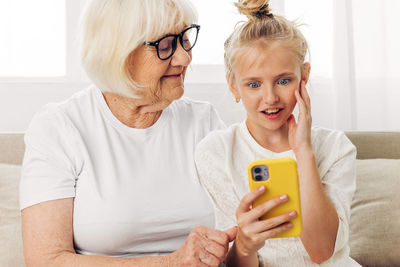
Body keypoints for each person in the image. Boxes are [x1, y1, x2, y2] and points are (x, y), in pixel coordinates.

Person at [19, 0, 236, 266]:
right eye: (166, 45)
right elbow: (46, 260)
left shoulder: (204, 122)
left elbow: (243, 230)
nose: (184, 57)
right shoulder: (59, 127)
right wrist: (170, 263)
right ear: (118, 53)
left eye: (186, 38)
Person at [194, 0, 361, 266]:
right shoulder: (217, 152)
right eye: (254, 84)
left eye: (283, 81)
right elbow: (237, 263)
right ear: (233, 86)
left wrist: (303, 152)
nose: (270, 98)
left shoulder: (335, 147)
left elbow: (321, 251)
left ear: (303, 77)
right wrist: (246, 246)